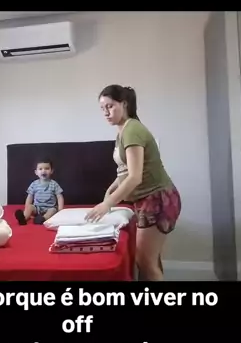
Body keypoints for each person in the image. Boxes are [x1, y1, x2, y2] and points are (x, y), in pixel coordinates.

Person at [86, 85, 181, 280]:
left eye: (110, 106)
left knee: (145, 261)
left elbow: (135, 177)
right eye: (102, 108)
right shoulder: (123, 131)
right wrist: (111, 189)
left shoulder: (132, 130)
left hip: (156, 198)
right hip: (147, 199)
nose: (106, 113)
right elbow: (126, 170)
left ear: (124, 104)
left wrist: (108, 203)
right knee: (149, 260)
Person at [15, 159, 64, 225]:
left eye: (47, 168)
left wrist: (60, 210)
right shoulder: (34, 184)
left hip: (49, 208)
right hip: (37, 208)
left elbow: (59, 197)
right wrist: (27, 207)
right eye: (40, 169)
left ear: (51, 171)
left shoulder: (54, 184)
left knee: (53, 210)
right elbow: (30, 197)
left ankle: (43, 219)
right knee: (30, 207)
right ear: (36, 172)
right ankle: (24, 218)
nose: (43, 171)